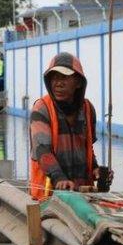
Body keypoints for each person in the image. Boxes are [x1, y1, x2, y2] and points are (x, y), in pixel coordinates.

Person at [29, 52, 112, 201]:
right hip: (49, 197)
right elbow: (42, 150)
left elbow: (87, 149)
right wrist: (59, 178)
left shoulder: (88, 109)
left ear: (78, 82)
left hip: (83, 196)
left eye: (64, 77)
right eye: (54, 77)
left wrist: (96, 170)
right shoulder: (42, 108)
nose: (58, 83)